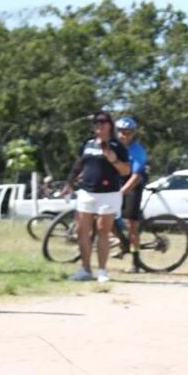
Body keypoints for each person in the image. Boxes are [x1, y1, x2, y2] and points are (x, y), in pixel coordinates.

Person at [62, 111, 131, 282]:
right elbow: (78, 165)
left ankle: (102, 270)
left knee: (102, 231)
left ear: (110, 125)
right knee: (81, 230)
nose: (99, 125)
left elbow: (126, 171)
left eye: (103, 122)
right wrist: (69, 183)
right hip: (87, 192)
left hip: (108, 194)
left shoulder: (117, 146)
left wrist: (113, 160)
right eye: (96, 123)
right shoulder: (88, 144)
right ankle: (85, 269)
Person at [115, 116, 148, 273]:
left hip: (133, 186)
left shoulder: (137, 151)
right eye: (121, 132)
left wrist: (122, 192)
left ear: (132, 133)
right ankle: (123, 242)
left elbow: (136, 176)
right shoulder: (113, 147)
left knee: (131, 225)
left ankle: (135, 262)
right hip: (117, 184)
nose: (124, 136)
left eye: (127, 133)